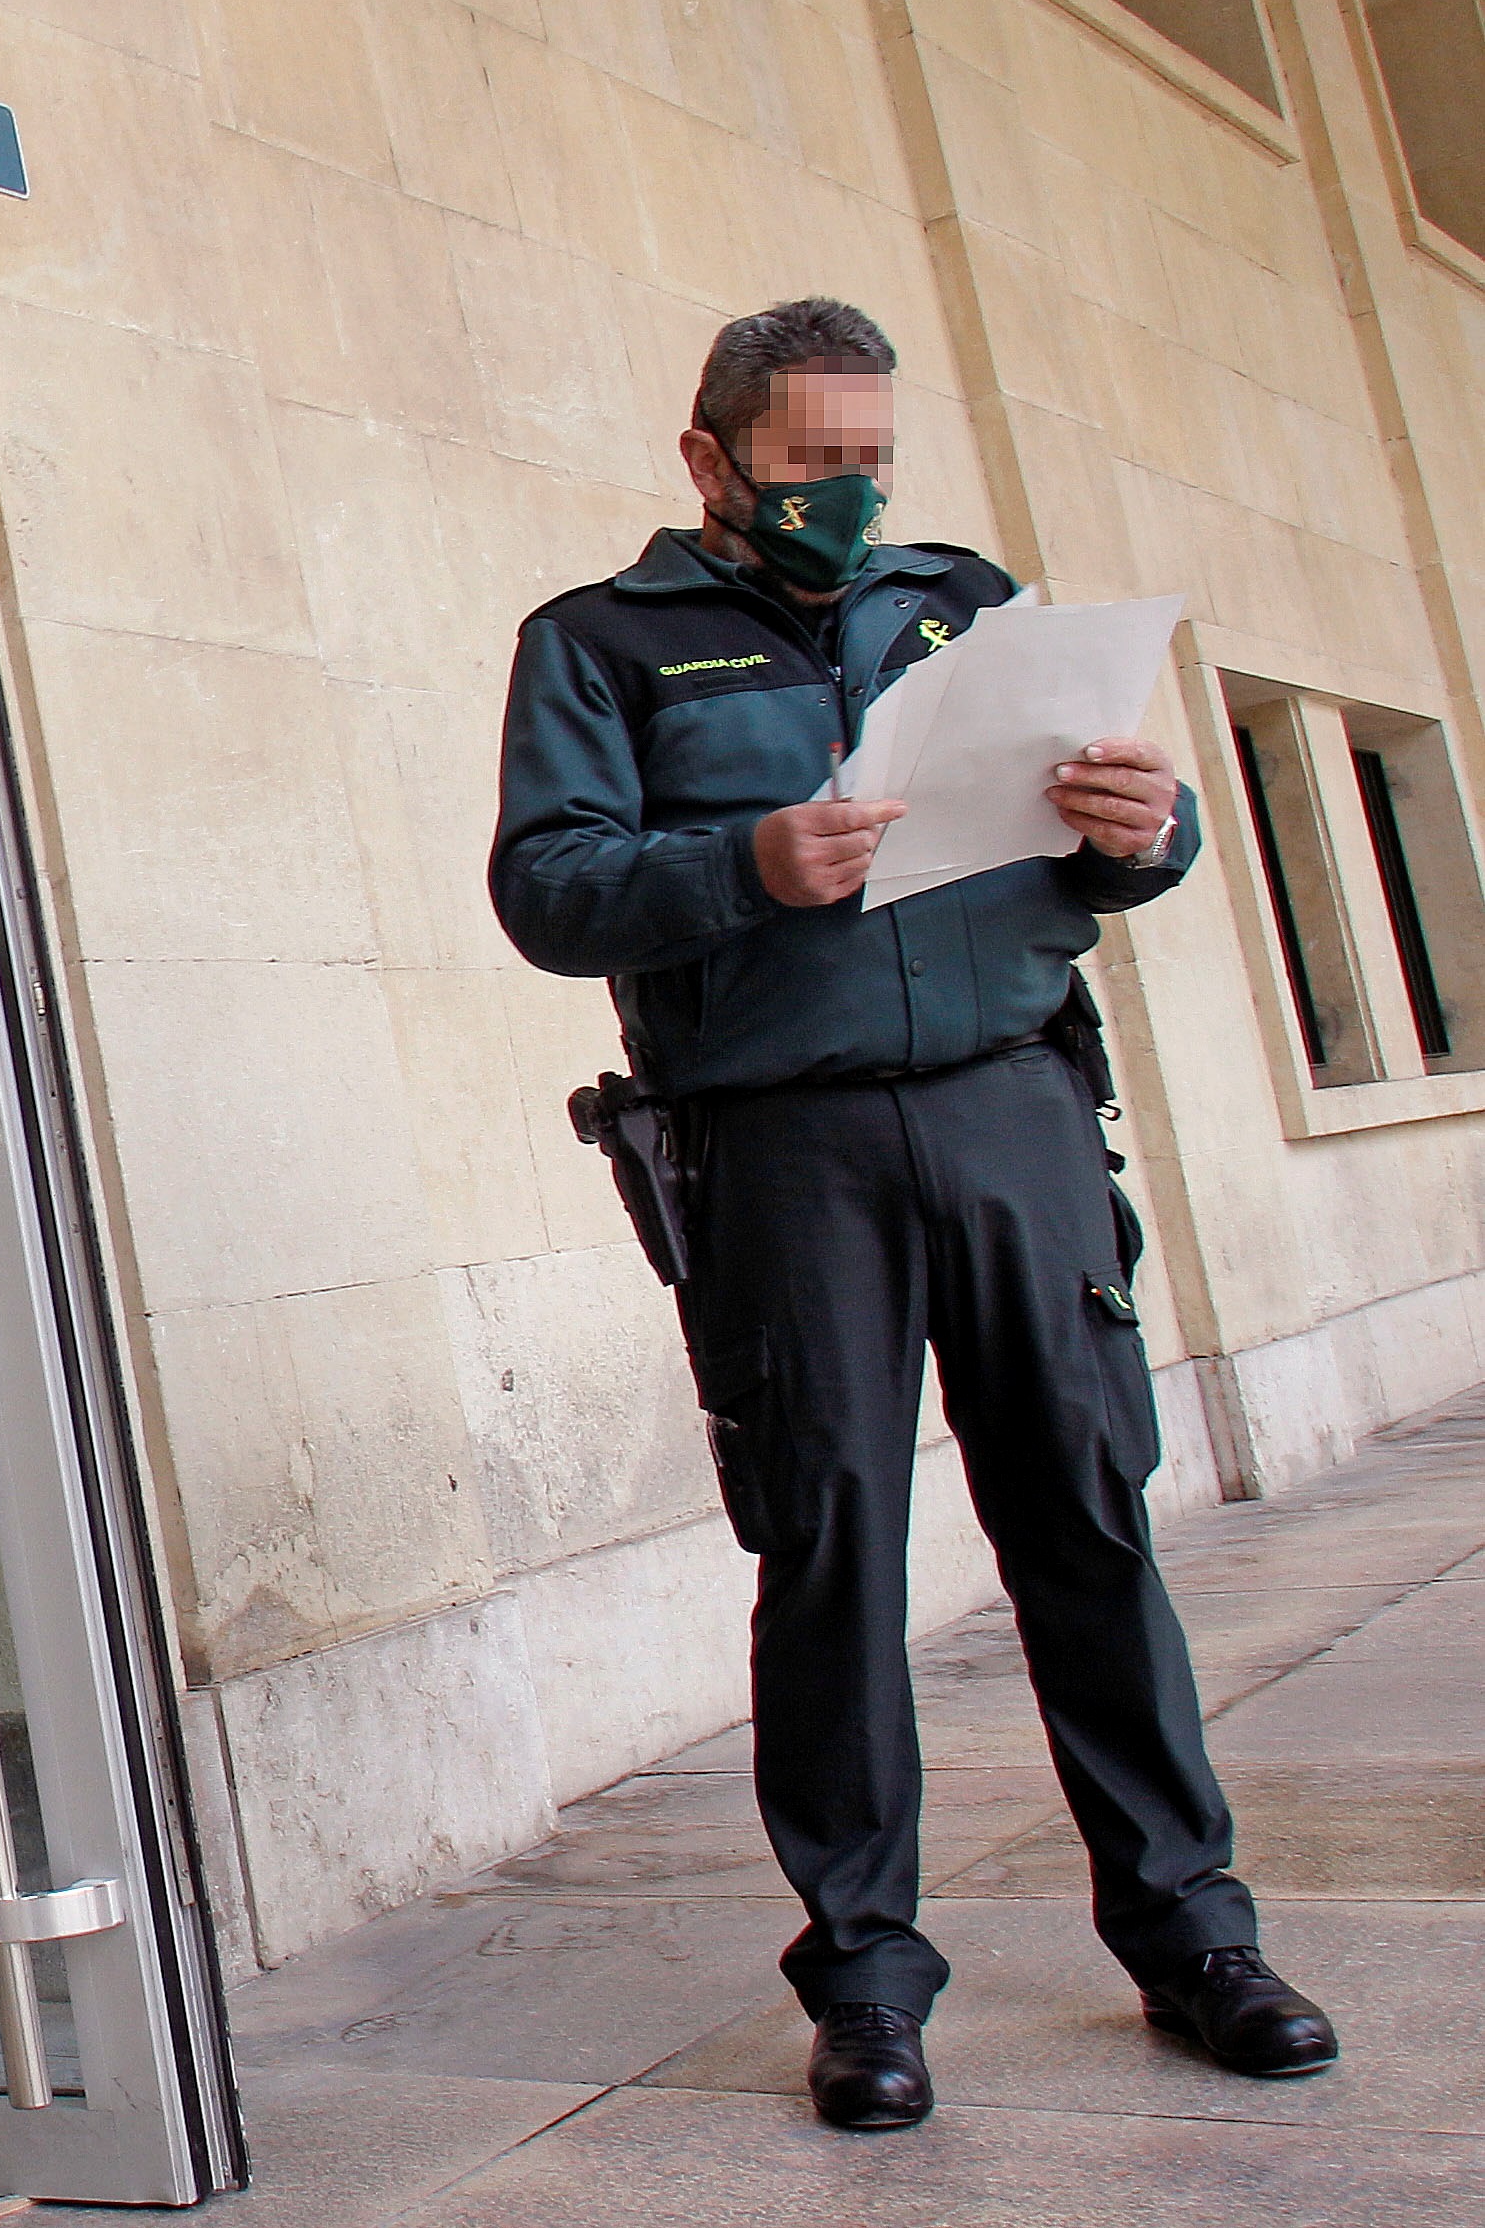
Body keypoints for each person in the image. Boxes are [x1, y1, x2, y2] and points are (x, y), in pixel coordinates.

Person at [489, 296, 1337, 2133]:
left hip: (1009, 1105)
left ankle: (1194, 1936)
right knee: (832, 1550)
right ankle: (866, 1979)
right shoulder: (601, 643)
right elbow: (548, 891)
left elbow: (1111, 843)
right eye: (812, 464)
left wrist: (1146, 828)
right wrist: (741, 861)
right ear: (710, 457)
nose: (851, 498)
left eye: (872, 461)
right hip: (783, 1150)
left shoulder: (968, 606)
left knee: (1086, 1520)